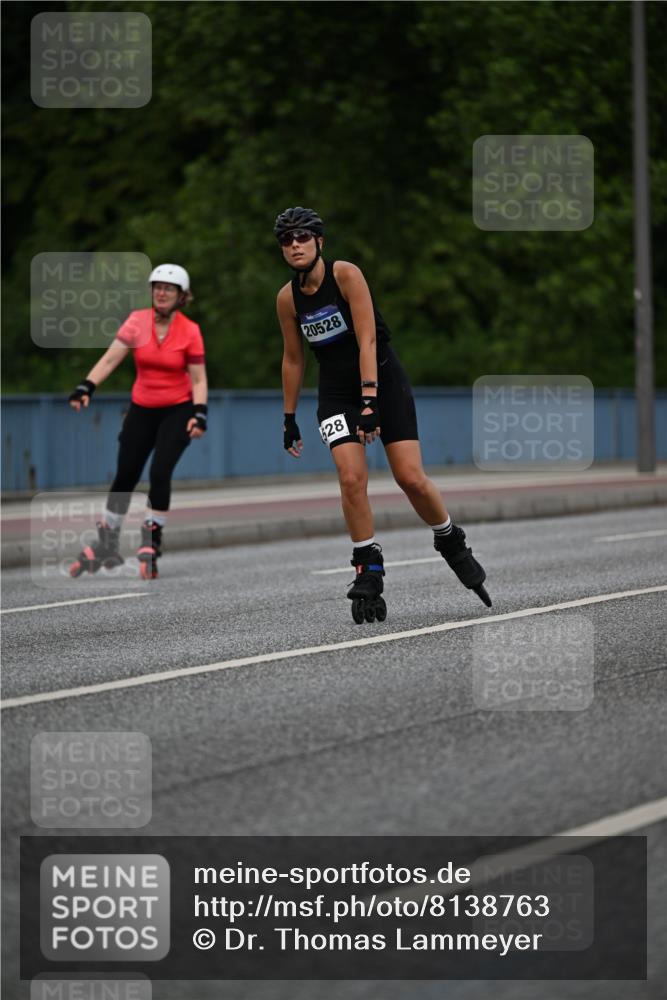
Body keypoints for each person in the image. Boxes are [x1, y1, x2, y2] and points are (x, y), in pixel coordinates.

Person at [274, 207, 491, 623]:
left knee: (409, 477)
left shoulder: (347, 275)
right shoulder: (287, 298)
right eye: (287, 240)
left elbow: (368, 337)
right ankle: (368, 567)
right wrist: (288, 417)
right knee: (351, 478)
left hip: (383, 382)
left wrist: (371, 401)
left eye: (303, 237)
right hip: (336, 393)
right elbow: (292, 359)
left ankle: (450, 539)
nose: (295, 245)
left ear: (320, 242)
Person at [68, 263, 208, 579]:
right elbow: (110, 358)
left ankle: (151, 541)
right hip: (142, 408)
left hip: (179, 409)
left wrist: (200, 413)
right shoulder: (137, 321)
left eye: (168, 288)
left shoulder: (190, 330)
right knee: (126, 474)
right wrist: (86, 386)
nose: (161, 292)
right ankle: (106, 543)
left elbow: (198, 379)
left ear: (181, 296)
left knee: (160, 472)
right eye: (156, 287)